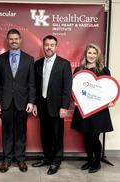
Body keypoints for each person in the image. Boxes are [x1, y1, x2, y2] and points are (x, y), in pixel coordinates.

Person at [0, 29, 36, 173]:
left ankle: (20, 159)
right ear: (7, 40)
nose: (13, 41)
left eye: (16, 39)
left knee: (21, 131)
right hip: (5, 101)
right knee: (7, 132)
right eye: (11, 39)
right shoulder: (0, 59)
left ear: (20, 40)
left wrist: (31, 101)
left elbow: (31, 83)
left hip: (23, 102)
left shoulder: (29, 59)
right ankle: (6, 159)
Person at [32, 35, 72, 175]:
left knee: (57, 135)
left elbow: (67, 88)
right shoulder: (37, 64)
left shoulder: (64, 64)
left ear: (56, 47)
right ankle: (47, 158)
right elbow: (36, 87)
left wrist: (64, 106)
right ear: (43, 46)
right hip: (42, 105)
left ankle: (56, 161)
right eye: (46, 44)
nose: (49, 47)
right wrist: (35, 104)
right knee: (45, 134)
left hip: (57, 106)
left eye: (52, 45)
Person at [71, 43, 113, 173]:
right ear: (85, 54)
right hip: (83, 109)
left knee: (94, 137)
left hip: (99, 110)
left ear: (98, 55)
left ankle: (97, 162)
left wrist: (111, 100)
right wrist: (75, 100)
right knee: (86, 136)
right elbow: (74, 89)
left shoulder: (104, 70)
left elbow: (109, 89)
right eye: (90, 53)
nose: (92, 55)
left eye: (95, 53)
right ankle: (89, 161)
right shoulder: (79, 70)